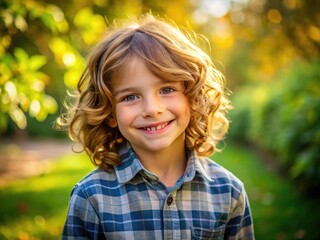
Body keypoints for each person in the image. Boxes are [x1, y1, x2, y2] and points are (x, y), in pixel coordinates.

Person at [58, 14, 254, 239]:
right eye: (130, 96)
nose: (152, 109)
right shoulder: (91, 198)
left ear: (191, 96)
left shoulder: (228, 192)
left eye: (167, 90)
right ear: (110, 112)